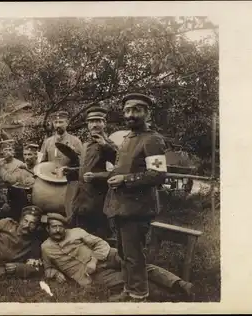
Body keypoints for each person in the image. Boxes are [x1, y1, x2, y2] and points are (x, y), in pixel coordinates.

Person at [103, 93, 168, 301]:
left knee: (134, 254)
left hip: (138, 208)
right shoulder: (126, 139)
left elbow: (158, 175)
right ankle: (128, 289)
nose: (131, 115)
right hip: (120, 205)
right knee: (123, 253)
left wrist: (125, 179)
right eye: (128, 110)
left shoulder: (153, 140)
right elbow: (121, 167)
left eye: (137, 110)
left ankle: (139, 294)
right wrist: (114, 176)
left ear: (147, 113)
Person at [41, 213, 193, 301]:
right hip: (93, 275)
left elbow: (100, 243)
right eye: (54, 227)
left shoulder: (76, 232)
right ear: (48, 229)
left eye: (61, 226)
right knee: (125, 280)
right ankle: (169, 297)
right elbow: (47, 268)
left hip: (107, 256)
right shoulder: (45, 248)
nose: (58, 230)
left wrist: (94, 260)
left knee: (136, 265)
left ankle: (179, 284)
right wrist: (56, 273)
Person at [64, 106, 118, 239]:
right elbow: (85, 169)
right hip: (81, 198)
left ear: (104, 123)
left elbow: (119, 169)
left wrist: (96, 176)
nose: (94, 125)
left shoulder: (109, 144)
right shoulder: (86, 145)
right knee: (80, 234)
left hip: (98, 199)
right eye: (91, 121)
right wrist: (70, 171)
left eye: (98, 121)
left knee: (98, 237)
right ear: (87, 124)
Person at [39, 111, 83, 215]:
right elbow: (40, 162)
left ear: (67, 123)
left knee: (67, 209)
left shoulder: (75, 141)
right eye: (55, 122)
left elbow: (82, 162)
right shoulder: (47, 142)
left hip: (68, 181)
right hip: (49, 180)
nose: (58, 125)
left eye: (61, 122)